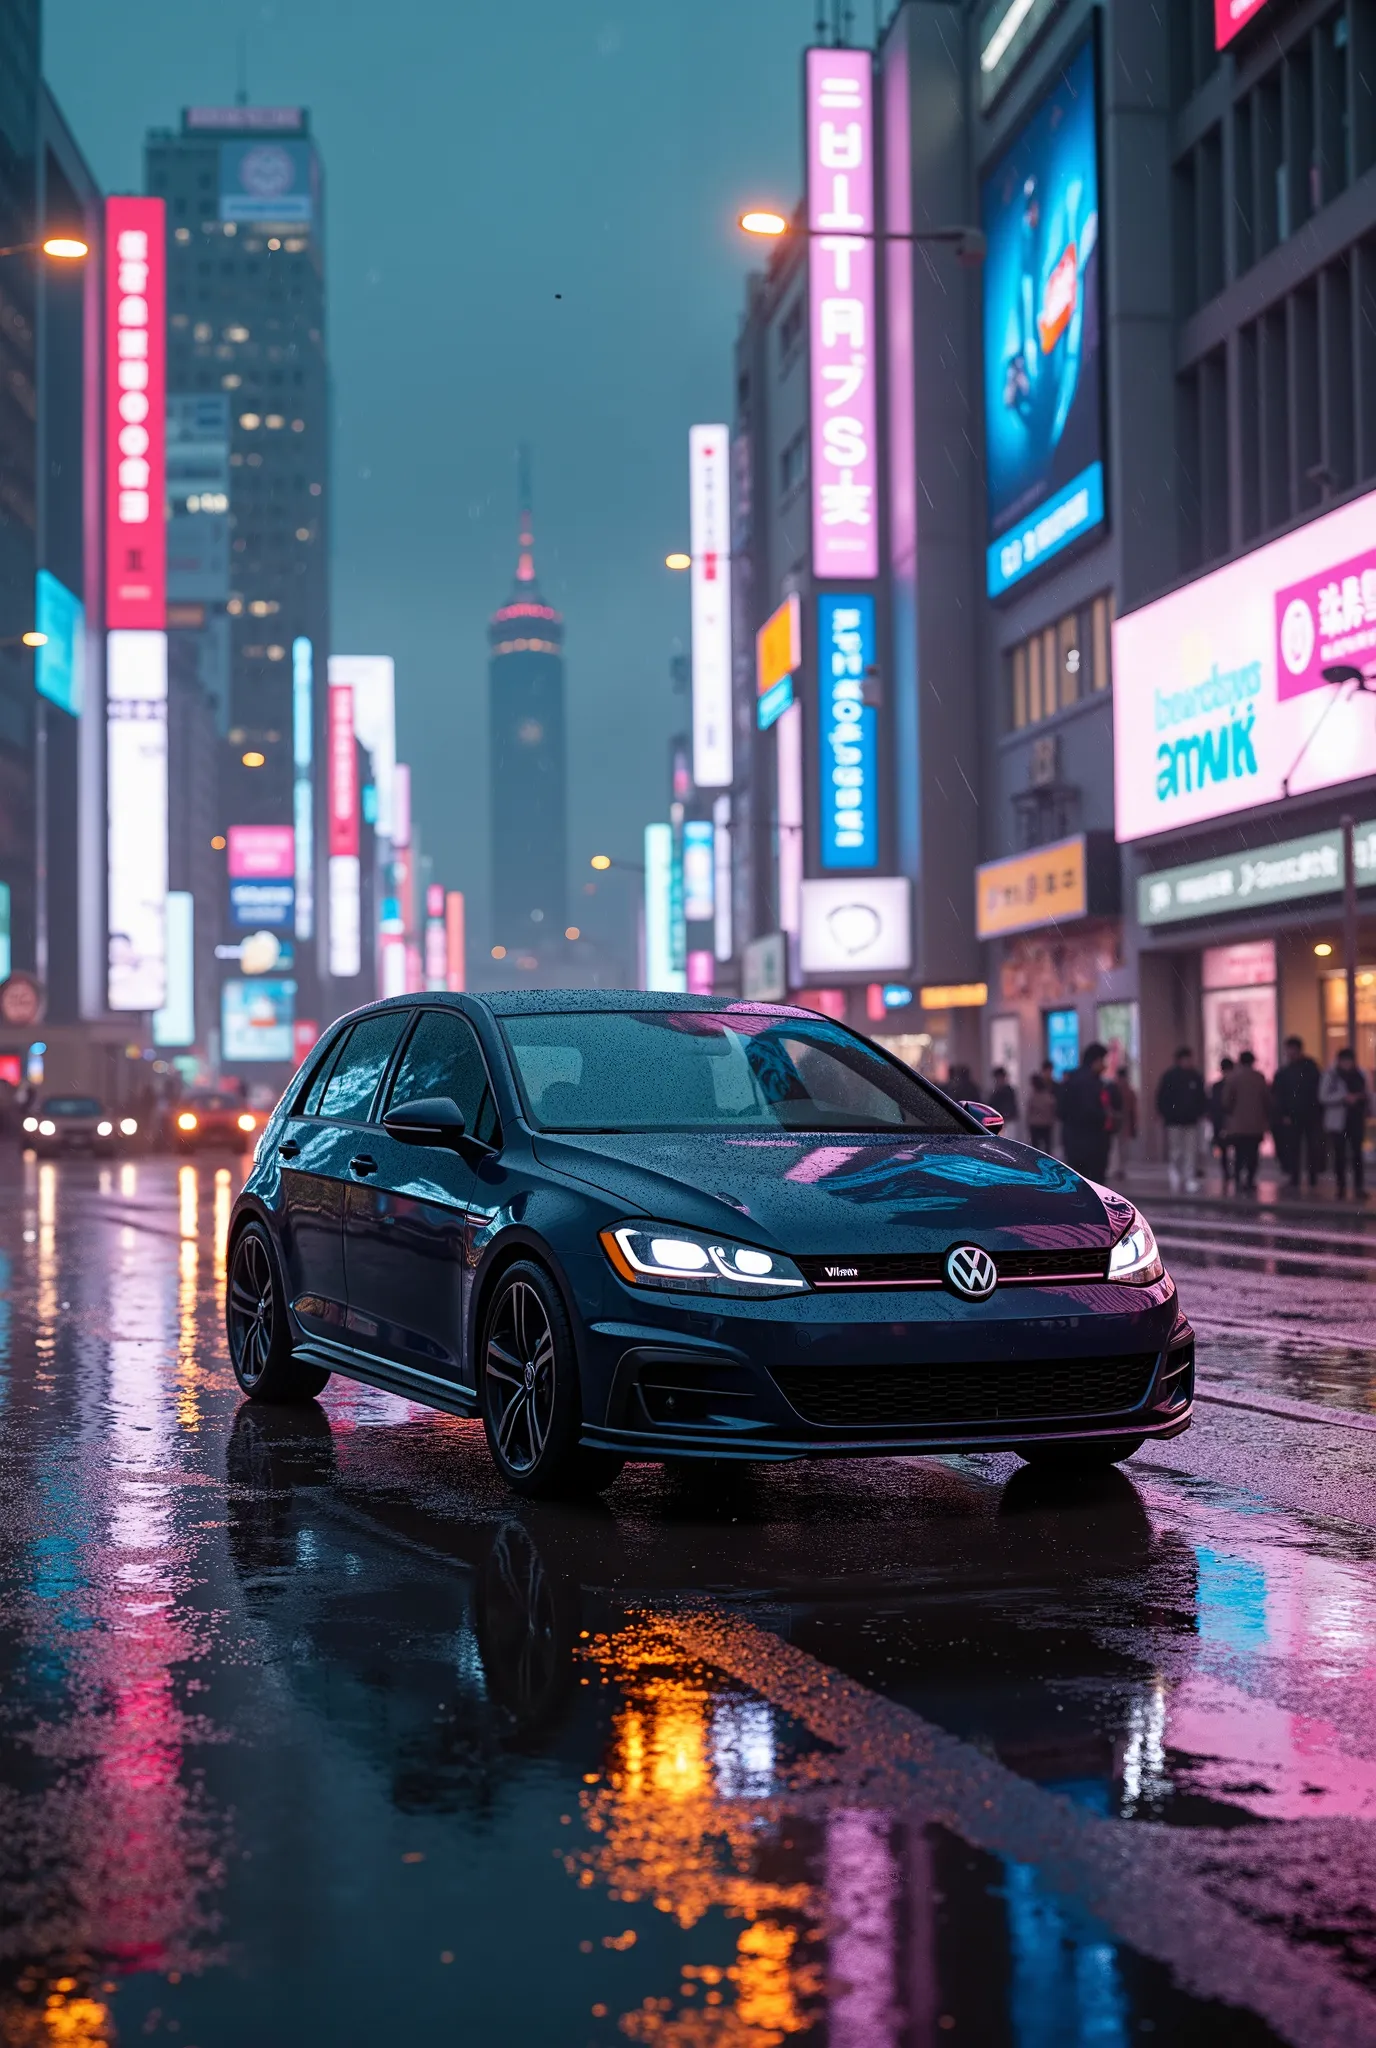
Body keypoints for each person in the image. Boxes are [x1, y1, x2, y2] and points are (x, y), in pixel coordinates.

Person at [1272, 1035, 1323, 1191]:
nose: (1289, 1053)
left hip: (1310, 1114)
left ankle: (1312, 1176)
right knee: (1293, 1147)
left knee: (1311, 1146)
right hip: (1293, 1115)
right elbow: (1278, 1095)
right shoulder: (1284, 1072)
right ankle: (1295, 1177)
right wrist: (1283, 1114)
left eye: (1291, 1049)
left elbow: (1316, 1091)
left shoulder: (1310, 1068)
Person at [1155, 1046, 1208, 1194]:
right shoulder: (1170, 1076)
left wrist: (1200, 1113)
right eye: (1186, 1058)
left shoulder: (1195, 1077)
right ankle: (1176, 1172)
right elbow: (1162, 1097)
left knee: (1190, 1150)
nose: (1189, 1061)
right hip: (1174, 1121)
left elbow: (1201, 1098)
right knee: (1176, 1150)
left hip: (1191, 1120)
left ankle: (1189, 1177)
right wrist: (1165, 1114)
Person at [1058, 1041, 1112, 1180]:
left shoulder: (1071, 1079)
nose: (1105, 1066)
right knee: (1095, 1186)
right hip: (1092, 1143)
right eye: (1103, 1061)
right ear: (1096, 1060)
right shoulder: (1092, 1083)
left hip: (1072, 1142)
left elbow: (1060, 1111)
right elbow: (1091, 1111)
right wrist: (1105, 1116)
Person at [1321, 1046, 1369, 1199]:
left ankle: (1358, 1187)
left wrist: (1361, 1099)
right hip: (1338, 1121)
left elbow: (1368, 1094)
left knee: (1357, 1154)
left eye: (1350, 1061)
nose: (1347, 1064)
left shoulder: (1361, 1074)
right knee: (1339, 1155)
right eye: (1345, 1061)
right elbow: (1322, 1096)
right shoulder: (1331, 1075)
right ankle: (1340, 1187)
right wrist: (1343, 1098)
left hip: (1356, 1119)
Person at [1221, 1050, 1270, 1194]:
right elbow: (1267, 1100)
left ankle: (1237, 1179)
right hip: (1256, 1124)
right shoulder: (1259, 1078)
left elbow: (1226, 1101)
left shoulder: (1234, 1078)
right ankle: (1250, 1180)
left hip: (1238, 1124)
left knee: (1239, 1154)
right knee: (1253, 1154)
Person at [1209, 1056, 1236, 1190]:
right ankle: (1227, 1173)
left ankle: (1231, 1173)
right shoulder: (1217, 1086)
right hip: (1222, 1121)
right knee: (1224, 1150)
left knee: (1233, 1149)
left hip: (1231, 1122)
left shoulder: (1220, 1086)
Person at [1026, 1060, 1058, 1154]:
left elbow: (1029, 1109)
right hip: (1047, 1123)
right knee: (1047, 1147)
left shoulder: (1034, 1096)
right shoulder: (1049, 1096)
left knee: (1036, 1148)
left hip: (1035, 1123)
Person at [987, 1065, 1019, 1136]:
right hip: (999, 1120)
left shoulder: (1008, 1091)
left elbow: (1011, 1106)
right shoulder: (995, 1091)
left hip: (1008, 1120)